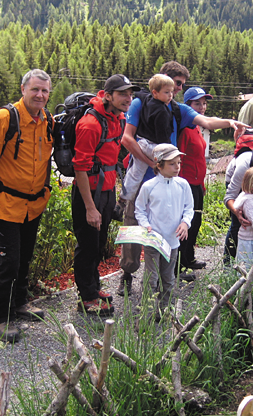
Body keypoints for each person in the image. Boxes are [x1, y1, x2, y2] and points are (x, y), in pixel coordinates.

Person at [119, 61, 246, 293]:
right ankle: (127, 273)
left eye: (180, 85)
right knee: (134, 223)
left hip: (166, 179)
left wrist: (230, 122)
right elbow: (127, 138)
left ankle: (159, 278)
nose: (178, 89)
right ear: (163, 78)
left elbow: (206, 121)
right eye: (176, 84)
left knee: (166, 224)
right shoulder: (140, 103)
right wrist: (149, 162)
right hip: (143, 176)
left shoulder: (176, 108)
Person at [0, 69, 53, 343]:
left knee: (25, 257)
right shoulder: (5, 118)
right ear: (23, 89)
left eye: (44, 91)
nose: (40, 95)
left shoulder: (47, 120)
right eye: (35, 89)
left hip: (34, 205)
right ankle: (1, 317)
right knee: (8, 261)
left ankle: (20, 304)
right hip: (5, 204)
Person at [73, 74, 140, 316]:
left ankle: (93, 289)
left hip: (107, 189)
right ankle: (86, 298)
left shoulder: (118, 119)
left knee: (99, 243)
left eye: (130, 94)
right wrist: (90, 207)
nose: (128, 98)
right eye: (123, 94)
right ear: (108, 95)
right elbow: (80, 168)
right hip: (88, 193)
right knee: (88, 244)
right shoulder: (90, 125)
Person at [135, 144, 194, 321]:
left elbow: (189, 208)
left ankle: (164, 311)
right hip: (153, 241)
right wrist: (146, 225)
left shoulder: (182, 185)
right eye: (172, 164)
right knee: (151, 279)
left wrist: (185, 223)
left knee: (168, 279)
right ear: (159, 165)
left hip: (173, 241)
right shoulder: (149, 186)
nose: (177, 167)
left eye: (179, 163)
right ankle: (145, 314)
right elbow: (139, 210)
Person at [175, 87, 213, 275]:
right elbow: (179, 159)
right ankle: (179, 265)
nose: (202, 107)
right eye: (197, 103)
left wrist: (202, 184)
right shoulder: (185, 130)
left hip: (197, 184)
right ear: (187, 105)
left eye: (204, 103)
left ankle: (188, 258)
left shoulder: (196, 128)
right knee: (185, 223)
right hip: (186, 184)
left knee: (196, 222)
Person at [123, 74, 175, 190]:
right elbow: (162, 135)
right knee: (167, 166)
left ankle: (124, 197)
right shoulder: (162, 111)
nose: (170, 95)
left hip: (141, 142)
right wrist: (167, 149)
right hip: (153, 146)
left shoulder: (147, 99)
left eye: (171, 92)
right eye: (166, 92)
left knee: (135, 174)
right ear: (155, 92)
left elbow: (140, 93)